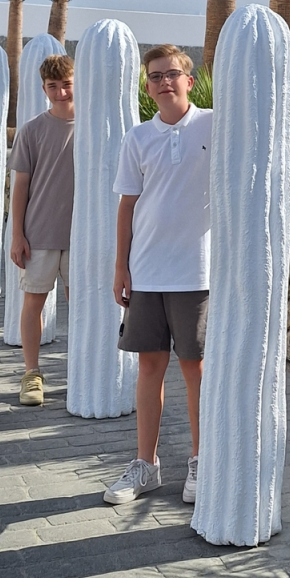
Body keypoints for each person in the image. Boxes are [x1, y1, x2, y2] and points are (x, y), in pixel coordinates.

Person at [103, 44, 213, 507]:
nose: (164, 82)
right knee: (149, 367)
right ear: (147, 87)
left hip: (196, 273)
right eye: (155, 76)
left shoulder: (214, 124)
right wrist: (121, 266)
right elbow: (127, 205)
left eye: (171, 74)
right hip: (147, 272)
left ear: (189, 80)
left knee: (195, 370)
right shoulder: (137, 138)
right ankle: (145, 466)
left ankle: (201, 462)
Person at [8, 53, 75, 408]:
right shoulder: (32, 130)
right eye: (53, 86)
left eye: (67, 84)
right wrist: (17, 235)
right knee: (34, 303)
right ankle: (31, 374)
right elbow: (20, 186)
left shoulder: (94, 127)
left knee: (81, 305)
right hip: (39, 234)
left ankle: (80, 369)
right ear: (43, 88)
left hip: (80, 237)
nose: (61, 92)